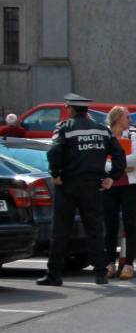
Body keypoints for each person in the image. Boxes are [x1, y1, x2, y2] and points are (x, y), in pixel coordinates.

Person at [37, 94, 125, 287]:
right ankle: (100, 274)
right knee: (95, 230)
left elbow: (53, 151)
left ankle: (54, 275)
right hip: (93, 186)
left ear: (70, 109)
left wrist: (55, 173)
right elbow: (119, 154)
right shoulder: (102, 130)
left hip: (68, 185)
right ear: (86, 110)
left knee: (61, 231)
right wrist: (113, 177)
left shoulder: (65, 127)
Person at [102, 106, 136, 279]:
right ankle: (109, 263)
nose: (130, 120)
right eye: (127, 117)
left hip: (130, 186)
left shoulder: (132, 136)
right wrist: (121, 167)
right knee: (110, 225)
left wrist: (117, 165)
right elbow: (102, 161)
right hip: (110, 187)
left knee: (130, 225)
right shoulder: (105, 138)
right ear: (117, 118)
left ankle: (128, 265)